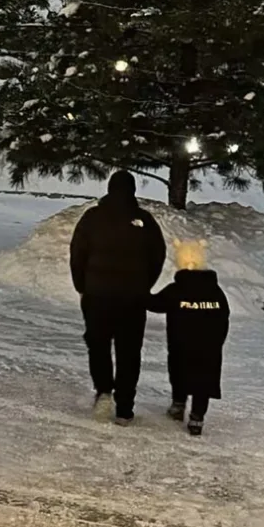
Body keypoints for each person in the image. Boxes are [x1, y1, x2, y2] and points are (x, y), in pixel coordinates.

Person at [69, 170, 166, 425]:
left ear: (109, 189)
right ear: (133, 191)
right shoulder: (144, 220)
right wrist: (144, 285)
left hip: (97, 296)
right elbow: (158, 256)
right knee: (129, 351)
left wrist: (83, 285)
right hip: (133, 299)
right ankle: (124, 407)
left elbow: (77, 254)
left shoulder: (92, 218)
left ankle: (103, 392)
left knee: (98, 346)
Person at [147, 238, 230, 437]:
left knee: (180, 372)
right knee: (204, 379)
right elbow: (223, 316)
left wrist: (136, 290)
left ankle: (178, 405)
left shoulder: (177, 290)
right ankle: (197, 417)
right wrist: (217, 340)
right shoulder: (216, 292)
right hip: (210, 347)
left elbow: (155, 304)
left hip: (180, 344)